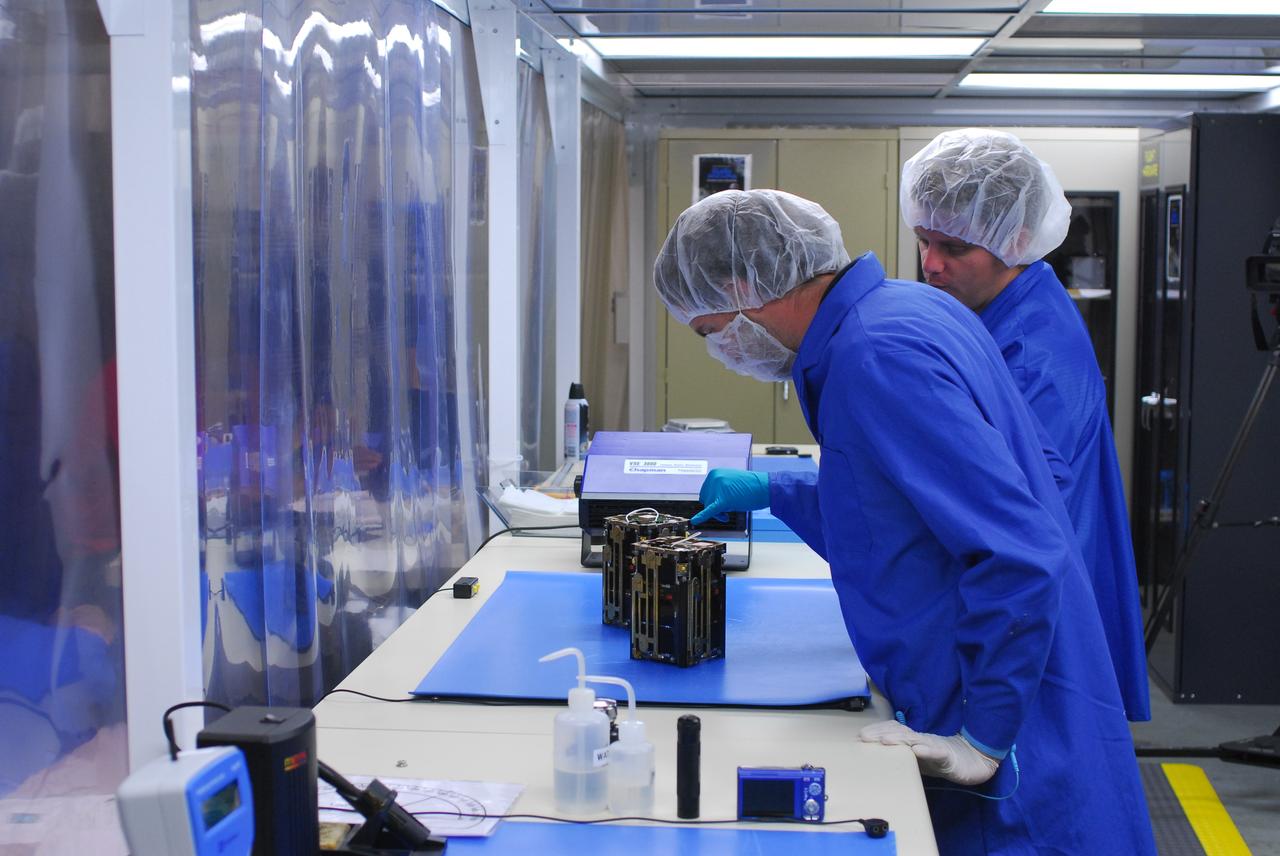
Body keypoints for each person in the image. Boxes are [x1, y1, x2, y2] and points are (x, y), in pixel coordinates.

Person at [656, 189, 1155, 855]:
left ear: (741, 284)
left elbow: (1018, 549)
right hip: (999, 675)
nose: (720, 348)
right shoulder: (901, 309)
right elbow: (890, 503)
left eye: (709, 330)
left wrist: (984, 736)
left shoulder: (875, 355)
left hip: (1002, 715)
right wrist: (776, 490)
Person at [901, 128, 1149, 723]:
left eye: (954, 247)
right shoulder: (995, 314)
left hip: (1038, 627)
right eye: (923, 240)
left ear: (1014, 238)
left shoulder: (1035, 352)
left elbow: (1013, 516)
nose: (931, 265)